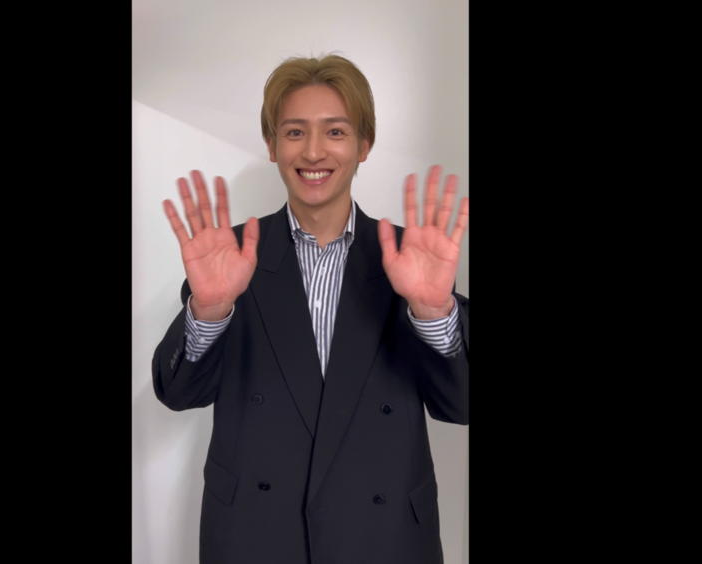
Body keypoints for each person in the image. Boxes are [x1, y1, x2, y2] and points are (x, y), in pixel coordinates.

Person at [152, 54, 468, 564]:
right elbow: (178, 393)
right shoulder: (231, 258)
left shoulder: (410, 260)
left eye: (336, 132)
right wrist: (208, 311)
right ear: (272, 145)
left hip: (383, 539)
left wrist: (434, 314)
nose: (314, 151)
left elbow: (462, 404)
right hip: (256, 538)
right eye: (295, 132)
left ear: (364, 145)